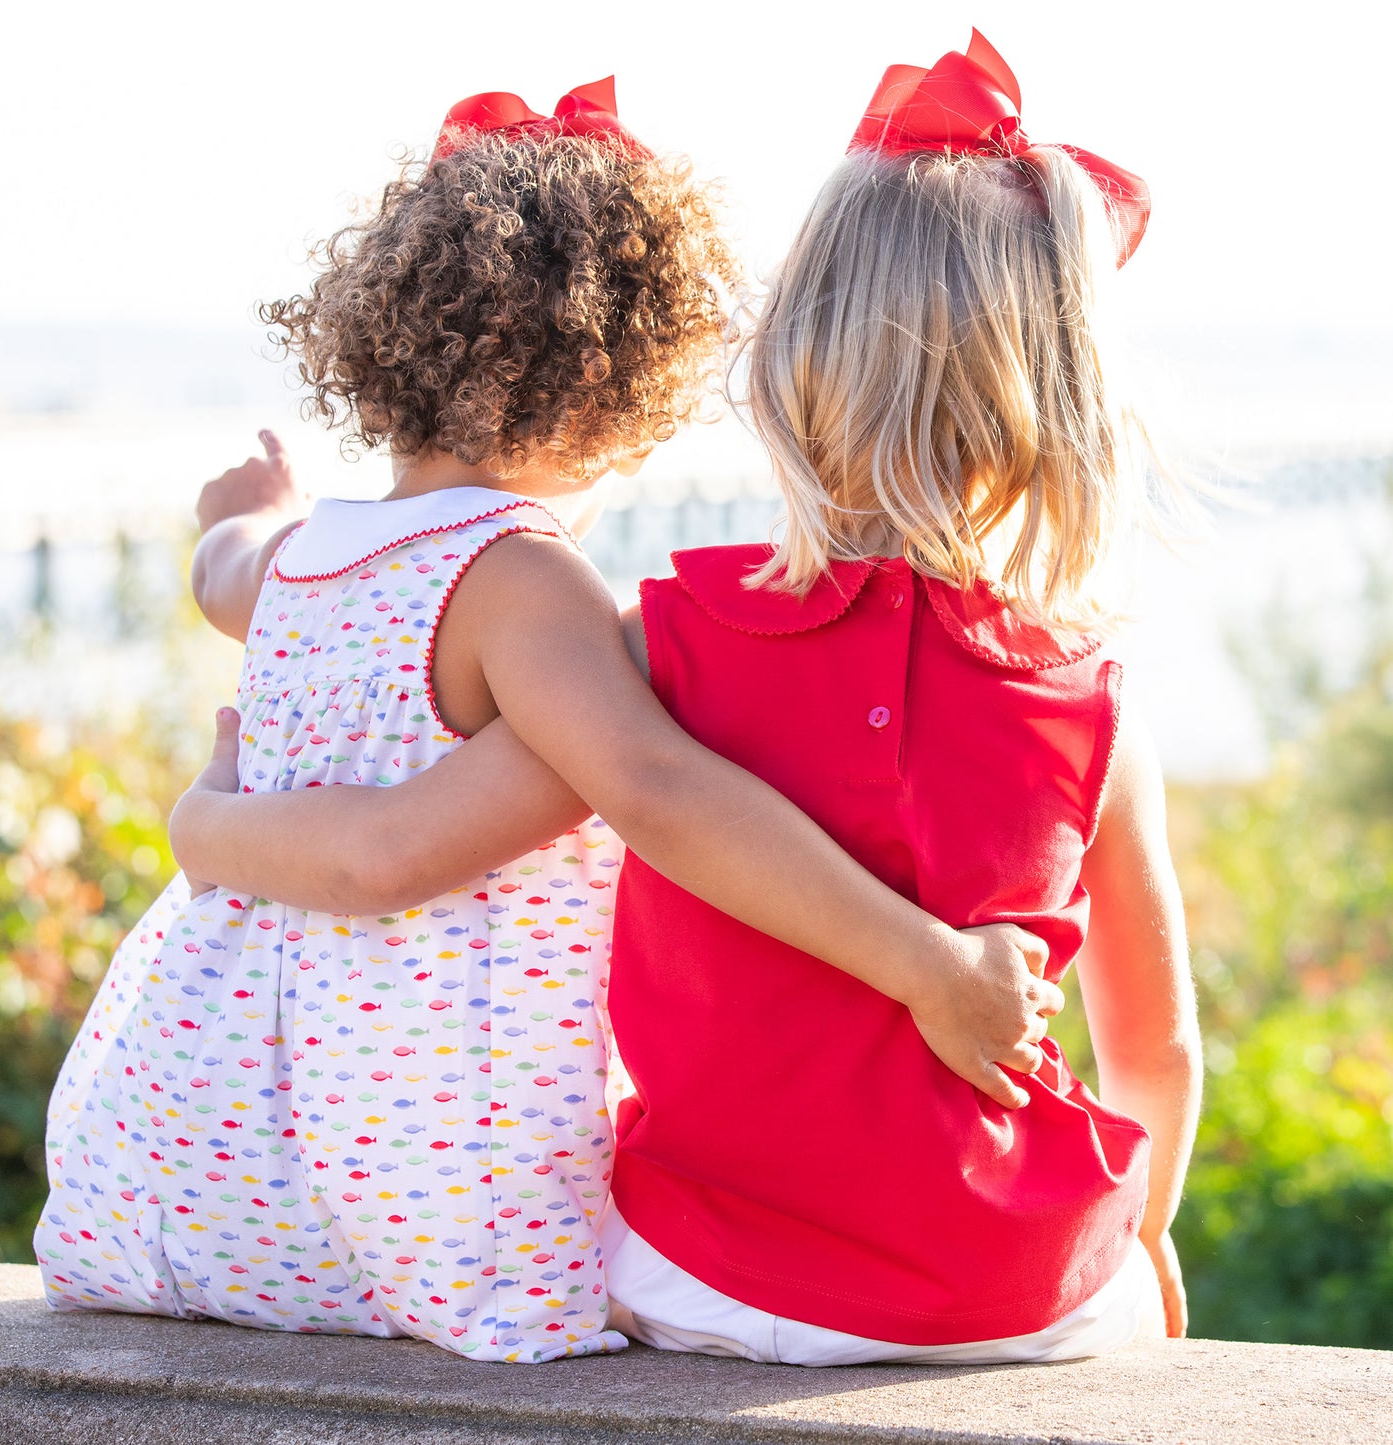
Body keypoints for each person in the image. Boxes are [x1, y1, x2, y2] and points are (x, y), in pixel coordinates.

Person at [170, 33, 1202, 1365]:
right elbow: (1157, 1051)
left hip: (698, 1279)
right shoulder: (1095, 704)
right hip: (1023, 1290)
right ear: (1068, 409)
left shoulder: (657, 654)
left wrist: (207, 818)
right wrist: (1146, 1236)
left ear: (787, 370)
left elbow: (390, 830)